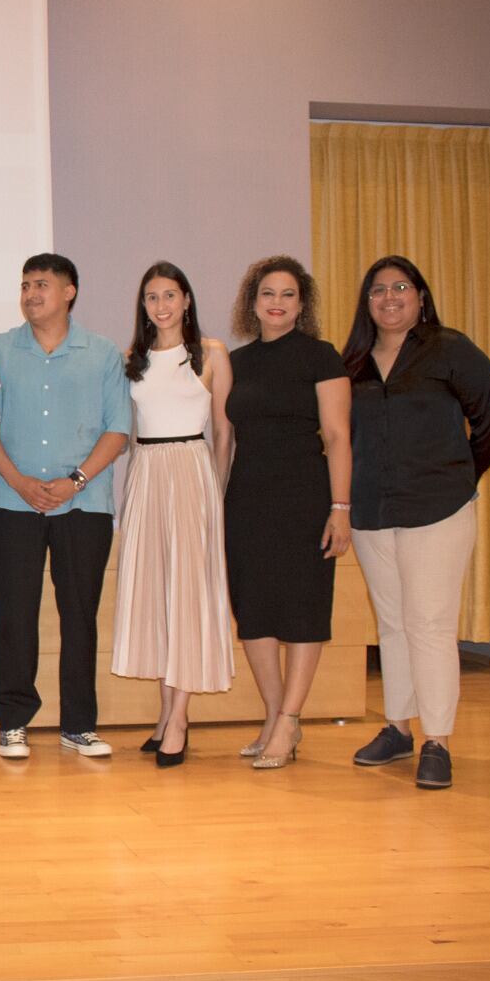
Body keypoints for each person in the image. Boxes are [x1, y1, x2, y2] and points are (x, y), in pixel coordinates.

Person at [342, 255, 490, 791]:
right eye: (377, 291)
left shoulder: (450, 348)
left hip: (438, 509)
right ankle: (398, 727)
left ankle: (437, 739)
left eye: (400, 288)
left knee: (430, 626)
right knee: (391, 625)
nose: (389, 298)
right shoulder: (355, 362)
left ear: (420, 296)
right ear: (367, 303)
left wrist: (459, 476)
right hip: (373, 511)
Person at [0, 253, 129, 761]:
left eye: (41, 285)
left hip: (84, 505)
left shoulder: (103, 352)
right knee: (14, 615)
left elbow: (118, 429)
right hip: (10, 503)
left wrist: (75, 481)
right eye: (24, 285)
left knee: (79, 616)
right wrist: (19, 482)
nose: (30, 294)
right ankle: (14, 722)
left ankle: (79, 724)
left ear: (70, 292)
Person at [223, 255, 351, 771]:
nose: (277, 303)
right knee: (253, 613)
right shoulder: (238, 361)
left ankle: (291, 717)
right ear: (252, 303)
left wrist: (340, 508)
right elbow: (226, 438)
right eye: (267, 294)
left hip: (304, 496)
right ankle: (277, 717)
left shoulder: (321, 356)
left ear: (303, 304)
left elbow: (339, 436)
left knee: (301, 611)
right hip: (247, 497)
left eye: (288, 294)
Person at [110, 262, 234, 767]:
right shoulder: (131, 360)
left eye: (169, 295)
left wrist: (216, 494)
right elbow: (130, 429)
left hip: (191, 471)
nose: (160, 306)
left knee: (186, 594)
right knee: (157, 594)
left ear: (186, 299)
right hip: (147, 474)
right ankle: (165, 715)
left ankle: (180, 718)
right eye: (151, 298)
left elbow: (224, 432)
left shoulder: (211, 354)